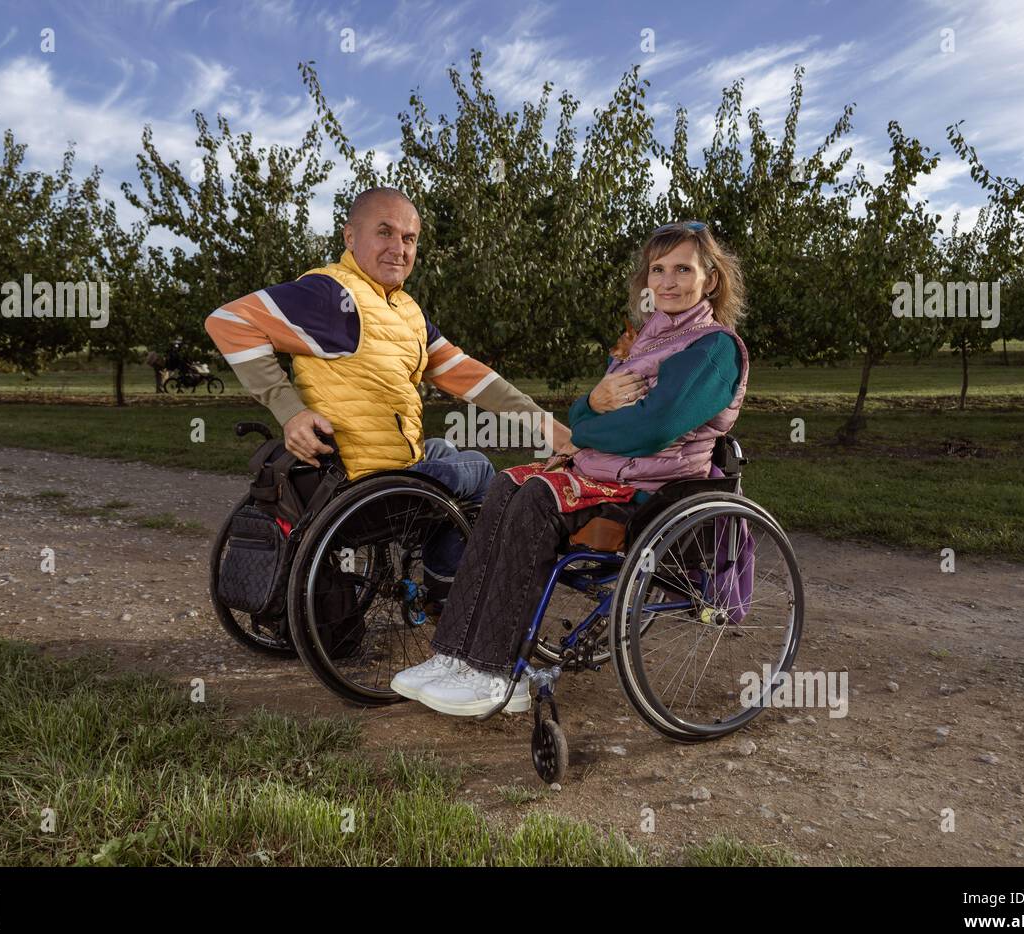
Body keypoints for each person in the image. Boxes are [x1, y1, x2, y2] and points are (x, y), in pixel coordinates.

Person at [391, 221, 750, 715]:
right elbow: (585, 411)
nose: (667, 282)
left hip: (653, 494)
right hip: (605, 476)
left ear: (709, 280)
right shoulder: (644, 341)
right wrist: (590, 407)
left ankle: (498, 671)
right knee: (505, 484)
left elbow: (652, 429)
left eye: (682, 270)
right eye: (658, 270)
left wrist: (585, 427)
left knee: (537, 501)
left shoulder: (713, 349)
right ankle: (456, 653)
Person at [204, 187, 570, 603]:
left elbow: (471, 376)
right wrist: (289, 411)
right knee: (482, 470)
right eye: (384, 232)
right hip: (362, 487)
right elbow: (227, 321)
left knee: (443, 451)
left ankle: (441, 581)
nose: (399, 249)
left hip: (381, 471)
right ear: (349, 237)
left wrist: (550, 428)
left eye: (409, 238)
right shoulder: (333, 296)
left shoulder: (405, 312)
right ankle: (448, 594)